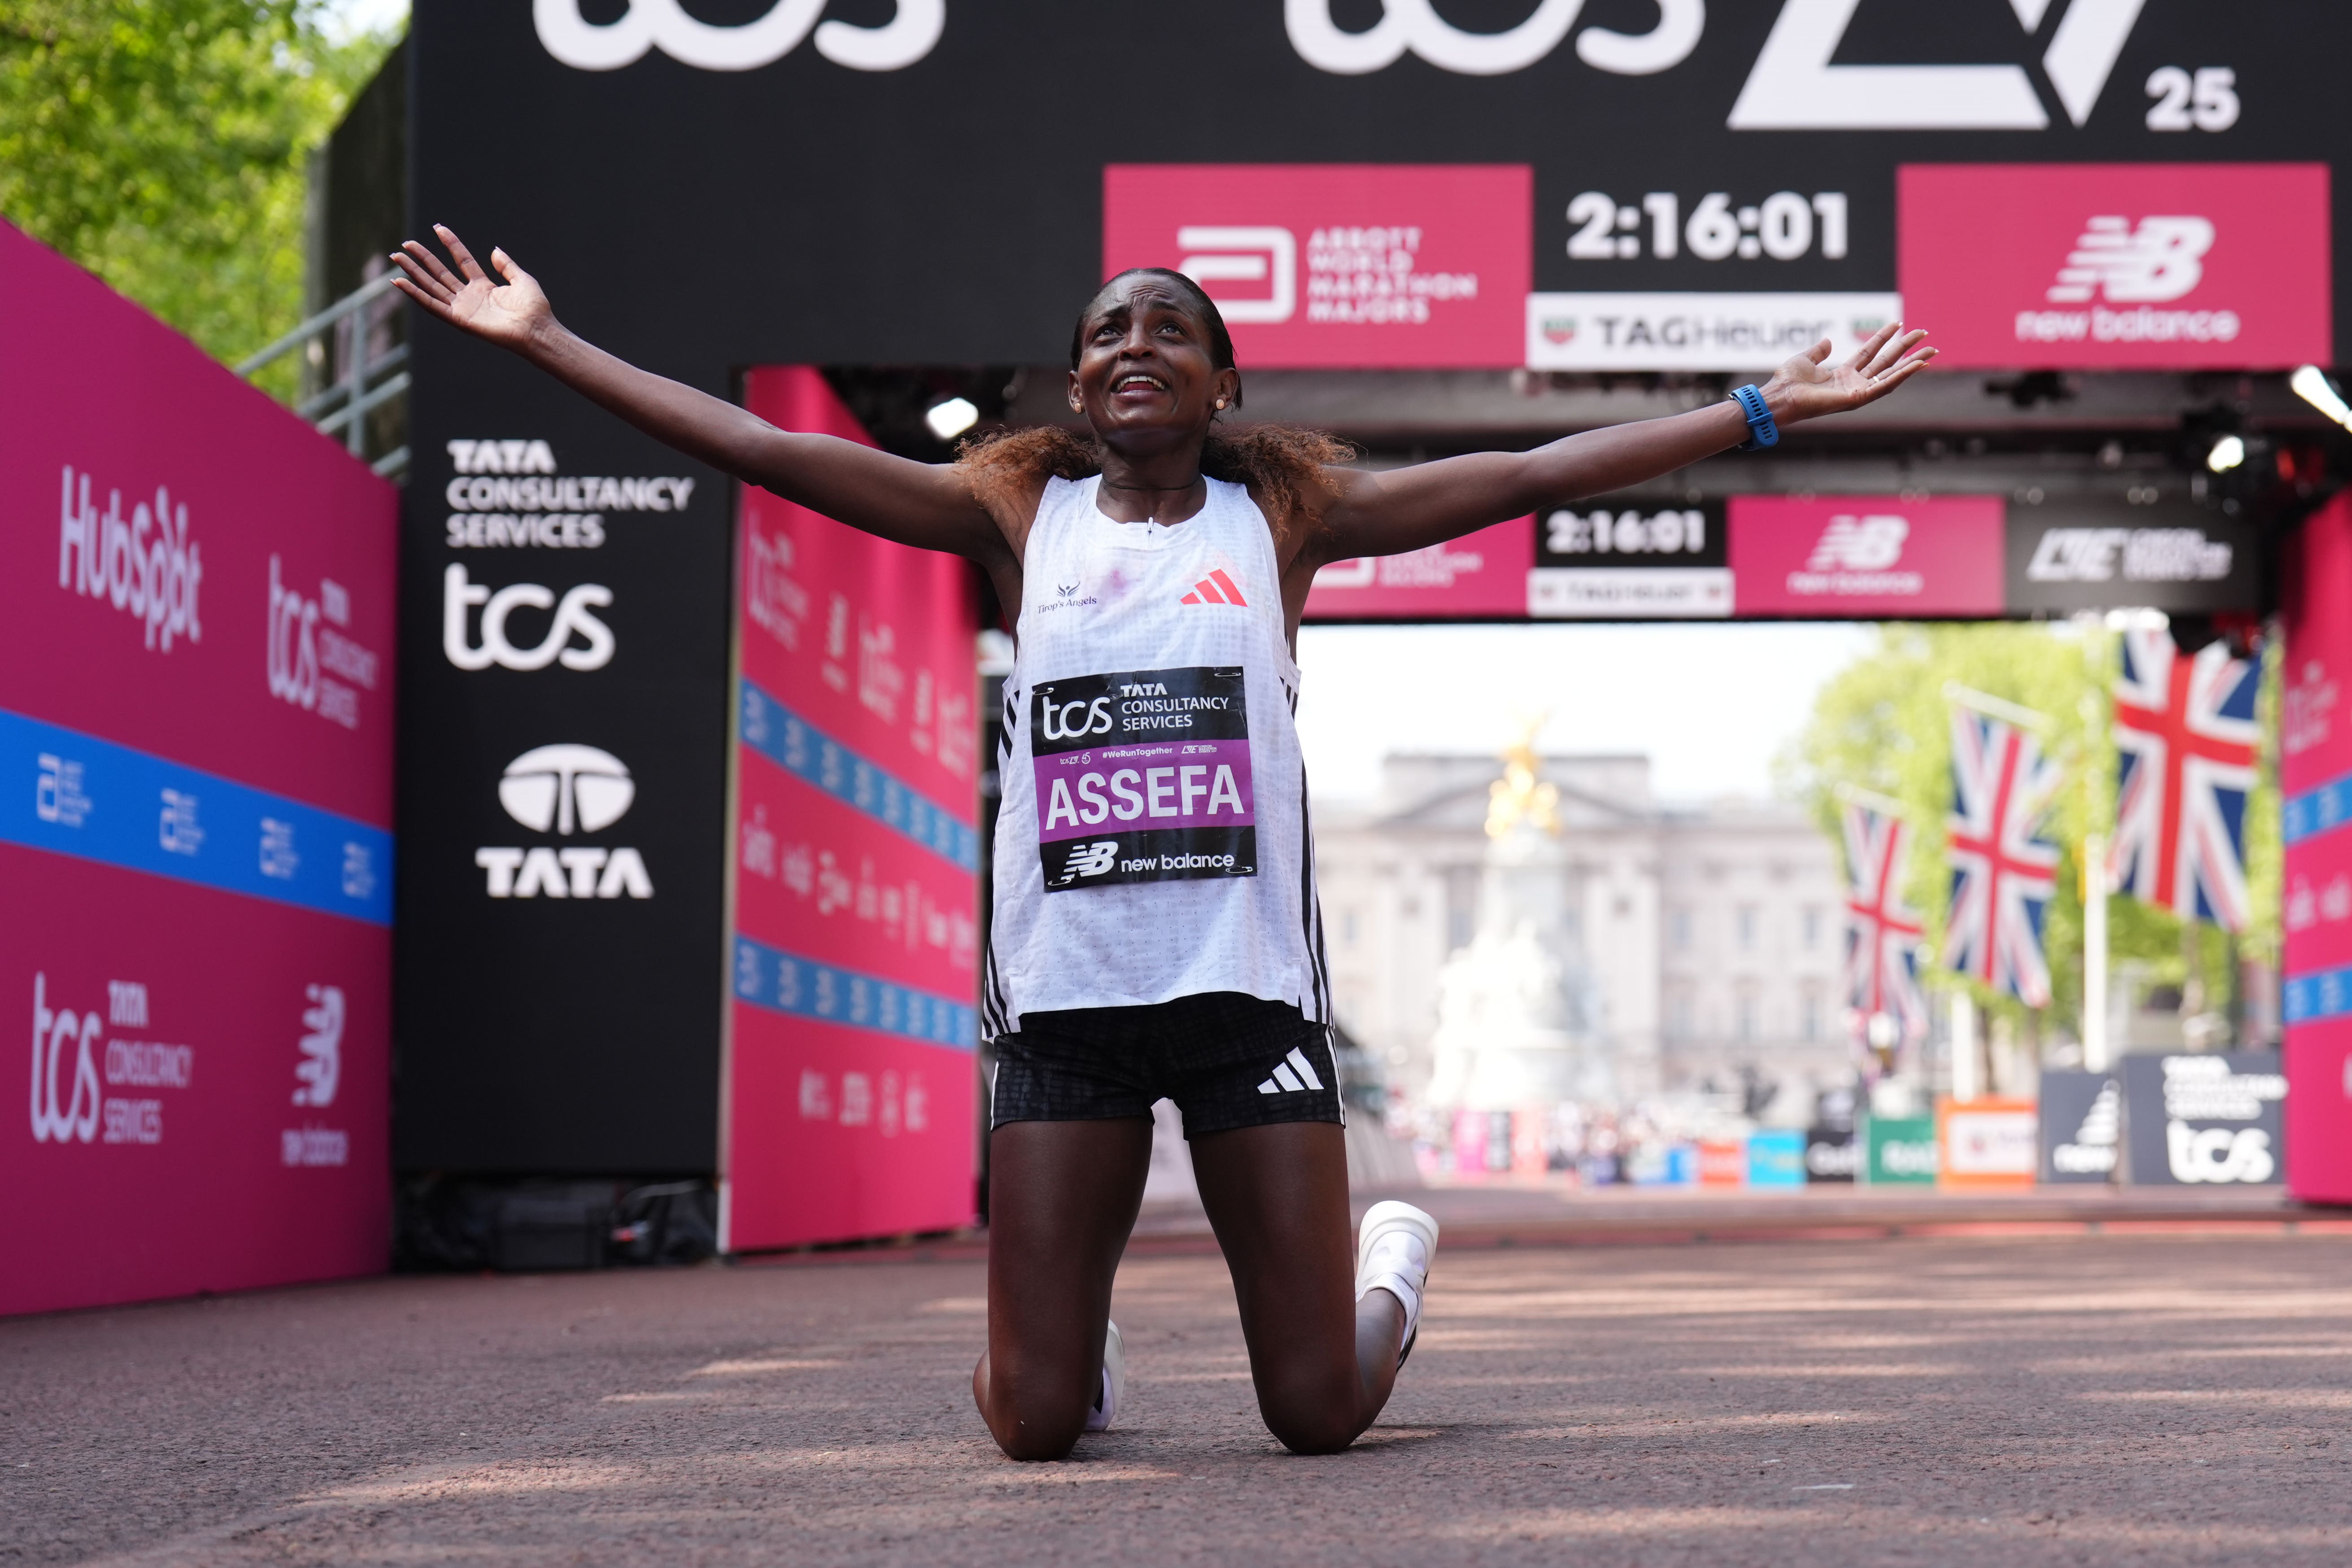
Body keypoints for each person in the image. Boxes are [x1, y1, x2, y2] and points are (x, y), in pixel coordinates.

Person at [391, 226, 1935, 1460]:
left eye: (1169, 332)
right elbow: (760, 450)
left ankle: (1386, 1255)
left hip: (1247, 997)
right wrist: (547, 343)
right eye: (1108, 333)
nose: (1135, 346)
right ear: (1076, 386)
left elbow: (1526, 478)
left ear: (1219, 383)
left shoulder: (1280, 523)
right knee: (1036, 1426)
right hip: (1068, 1004)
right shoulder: (1013, 520)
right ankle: (1068, 1336)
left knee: (1314, 1416)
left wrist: (1754, 410)